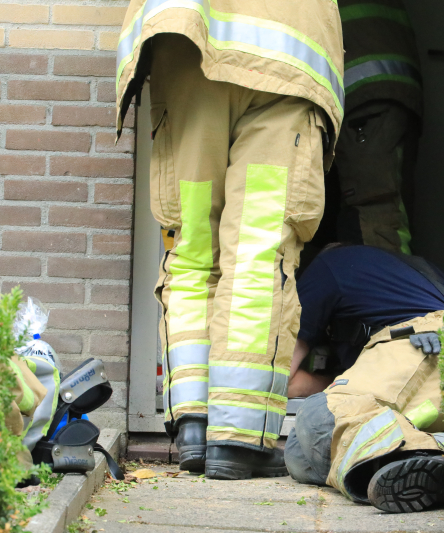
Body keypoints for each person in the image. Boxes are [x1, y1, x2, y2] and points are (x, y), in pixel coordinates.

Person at [114, 1, 345, 478]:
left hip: (187, 45)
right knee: (256, 252)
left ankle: (194, 427)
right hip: (285, 57)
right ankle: (236, 440)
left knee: (194, 247)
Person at [284, 245, 444, 513]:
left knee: (323, 414)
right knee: (299, 454)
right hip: (443, 360)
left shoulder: (329, 265)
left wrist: (333, 386)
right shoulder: (408, 270)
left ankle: (429, 461)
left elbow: (284, 378)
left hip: (420, 340)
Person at [335, 0, 422, 254]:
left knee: (375, 215)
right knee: (390, 209)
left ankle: (384, 278)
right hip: (388, 86)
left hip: (365, 93)